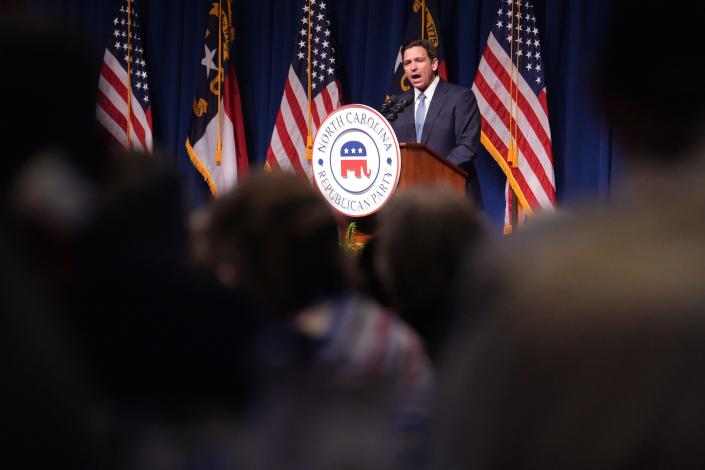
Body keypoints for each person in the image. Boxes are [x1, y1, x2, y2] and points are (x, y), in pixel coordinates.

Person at [390, 39, 482, 206]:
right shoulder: (398, 105)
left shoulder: (460, 97)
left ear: (433, 64)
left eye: (419, 60)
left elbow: (468, 146)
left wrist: (432, 172)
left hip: (451, 197)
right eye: (407, 63)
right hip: (407, 201)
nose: (413, 68)